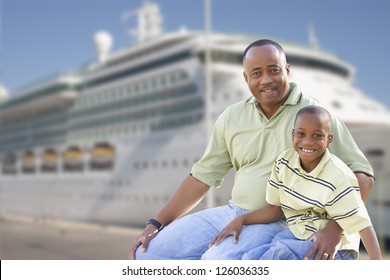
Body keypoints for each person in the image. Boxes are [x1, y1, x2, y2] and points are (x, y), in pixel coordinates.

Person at [128, 39, 375, 260]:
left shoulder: (315, 115)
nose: (266, 80)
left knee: (218, 262)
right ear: (246, 78)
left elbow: (362, 175)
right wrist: (155, 224)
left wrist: (335, 228)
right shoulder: (232, 116)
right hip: (235, 211)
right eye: (256, 73)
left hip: (286, 219)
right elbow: (201, 177)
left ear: (287, 71)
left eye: (274, 70)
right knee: (148, 254)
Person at [209, 105, 382, 260]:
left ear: (329, 139)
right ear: (292, 135)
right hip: (298, 235)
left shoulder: (338, 176)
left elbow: (363, 225)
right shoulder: (283, 163)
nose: (307, 141)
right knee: (251, 257)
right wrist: (241, 219)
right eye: (301, 134)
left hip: (335, 250)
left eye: (317, 136)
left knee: (272, 258)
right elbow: (275, 209)